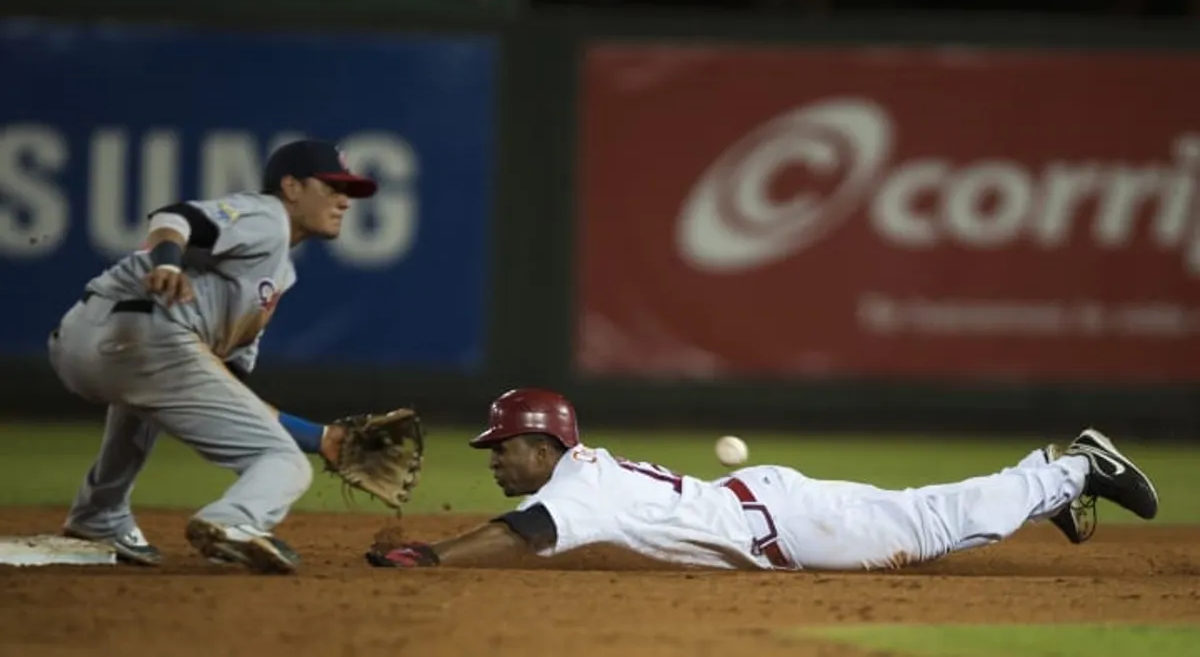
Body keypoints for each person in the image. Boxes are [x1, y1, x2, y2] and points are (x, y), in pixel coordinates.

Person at [364, 388, 1159, 572]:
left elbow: (522, 533)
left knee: (933, 526)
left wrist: (430, 556)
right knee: (928, 516)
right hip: (767, 504)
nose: (494, 457)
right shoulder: (581, 471)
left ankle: (1073, 467)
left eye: (502, 444)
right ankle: (1046, 477)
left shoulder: (576, 487)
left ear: (543, 445)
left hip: (786, 522)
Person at [50, 139, 377, 574]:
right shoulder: (268, 217)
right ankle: (235, 520)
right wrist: (166, 263)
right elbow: (174, 217)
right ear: (292, 187)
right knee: (283, 463)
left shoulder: (276, 273)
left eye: (349, 192)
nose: (344, 201)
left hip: (84, 340)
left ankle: (99, 515)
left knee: (148, 402)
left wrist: (321, 438)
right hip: (147, 336)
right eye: (333, 187)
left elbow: (226, 390)